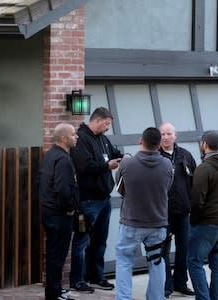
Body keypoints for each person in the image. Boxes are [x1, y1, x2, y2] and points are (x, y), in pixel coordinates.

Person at [114, 127, 174, 300]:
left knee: (124, 261)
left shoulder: (127, 163)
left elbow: (120, 188)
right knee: (156, 261)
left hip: (131, 222)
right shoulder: (167, 164)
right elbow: (167, 188)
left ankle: (123, 298)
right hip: (157, 223)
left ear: (141, 140)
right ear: (159, 144)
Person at [70, 107, 123, 292]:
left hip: (104, 201)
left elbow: (115, 152)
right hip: (86, 203)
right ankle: (77, 279)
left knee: (100, 240)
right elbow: (84, 166)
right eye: (107, 124)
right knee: (81, 241)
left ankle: (96, 276)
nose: (108, 127)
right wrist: (107, 166)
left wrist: (125, 158)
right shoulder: (80, 139)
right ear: (98, 120)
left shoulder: (103, 138)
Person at [188, 131, 218, 300]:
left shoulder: (203, 168)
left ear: (205, 144)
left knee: (194, 261)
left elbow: (197, 200)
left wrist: (193, 221)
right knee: (217, 262)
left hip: (207, 224)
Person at [39, 123, 79, 300]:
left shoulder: (50, 155)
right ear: (64, 138)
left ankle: (54, 290)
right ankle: (53, 294)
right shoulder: (63, 160)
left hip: (49, 212)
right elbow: (63, 189)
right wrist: (69, 209)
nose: (76, 136)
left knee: (54, 254)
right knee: (57, 255)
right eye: (73, 134)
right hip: (59, 215)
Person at [158, 122, 196, 298]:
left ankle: (181, 282)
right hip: (161, 213)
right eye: (162, 134)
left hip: (183, 211)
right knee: (163, 250)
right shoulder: (154, 156)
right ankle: (166, 285)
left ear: (175, 135)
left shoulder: (185, 156)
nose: (165, 137)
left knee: (184, 248)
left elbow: (194, 182)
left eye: (168, 134)